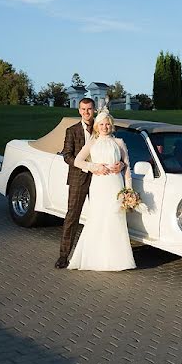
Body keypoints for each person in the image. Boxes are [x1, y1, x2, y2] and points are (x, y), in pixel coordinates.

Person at [54, 98, 122, 269]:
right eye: (83, 109)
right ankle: (64, 256)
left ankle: (101, 255)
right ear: (79, 111)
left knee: (104, 216)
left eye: (89, 109)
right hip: (80, 178)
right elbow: (67, 156)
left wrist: (122, 164)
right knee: (72, 216)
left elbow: (119, 151)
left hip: (104, 181)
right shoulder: (72, 131)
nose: (86, 112)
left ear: (94, 110)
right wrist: (91, 166)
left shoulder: (102, 125)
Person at [67, 106, 136, 271]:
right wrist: (94, 167)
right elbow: (78, 161)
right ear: (97, 126)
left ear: (111, 125)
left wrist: (128, 190)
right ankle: (95, 258)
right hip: (99, 185)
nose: (105, 127)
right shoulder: (92, 143)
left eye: (107, 124)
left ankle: (116, 260)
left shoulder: (119, 142)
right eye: (102, 124)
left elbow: (127, 168)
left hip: (115, 184)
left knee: (115, 219)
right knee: (97, 218)